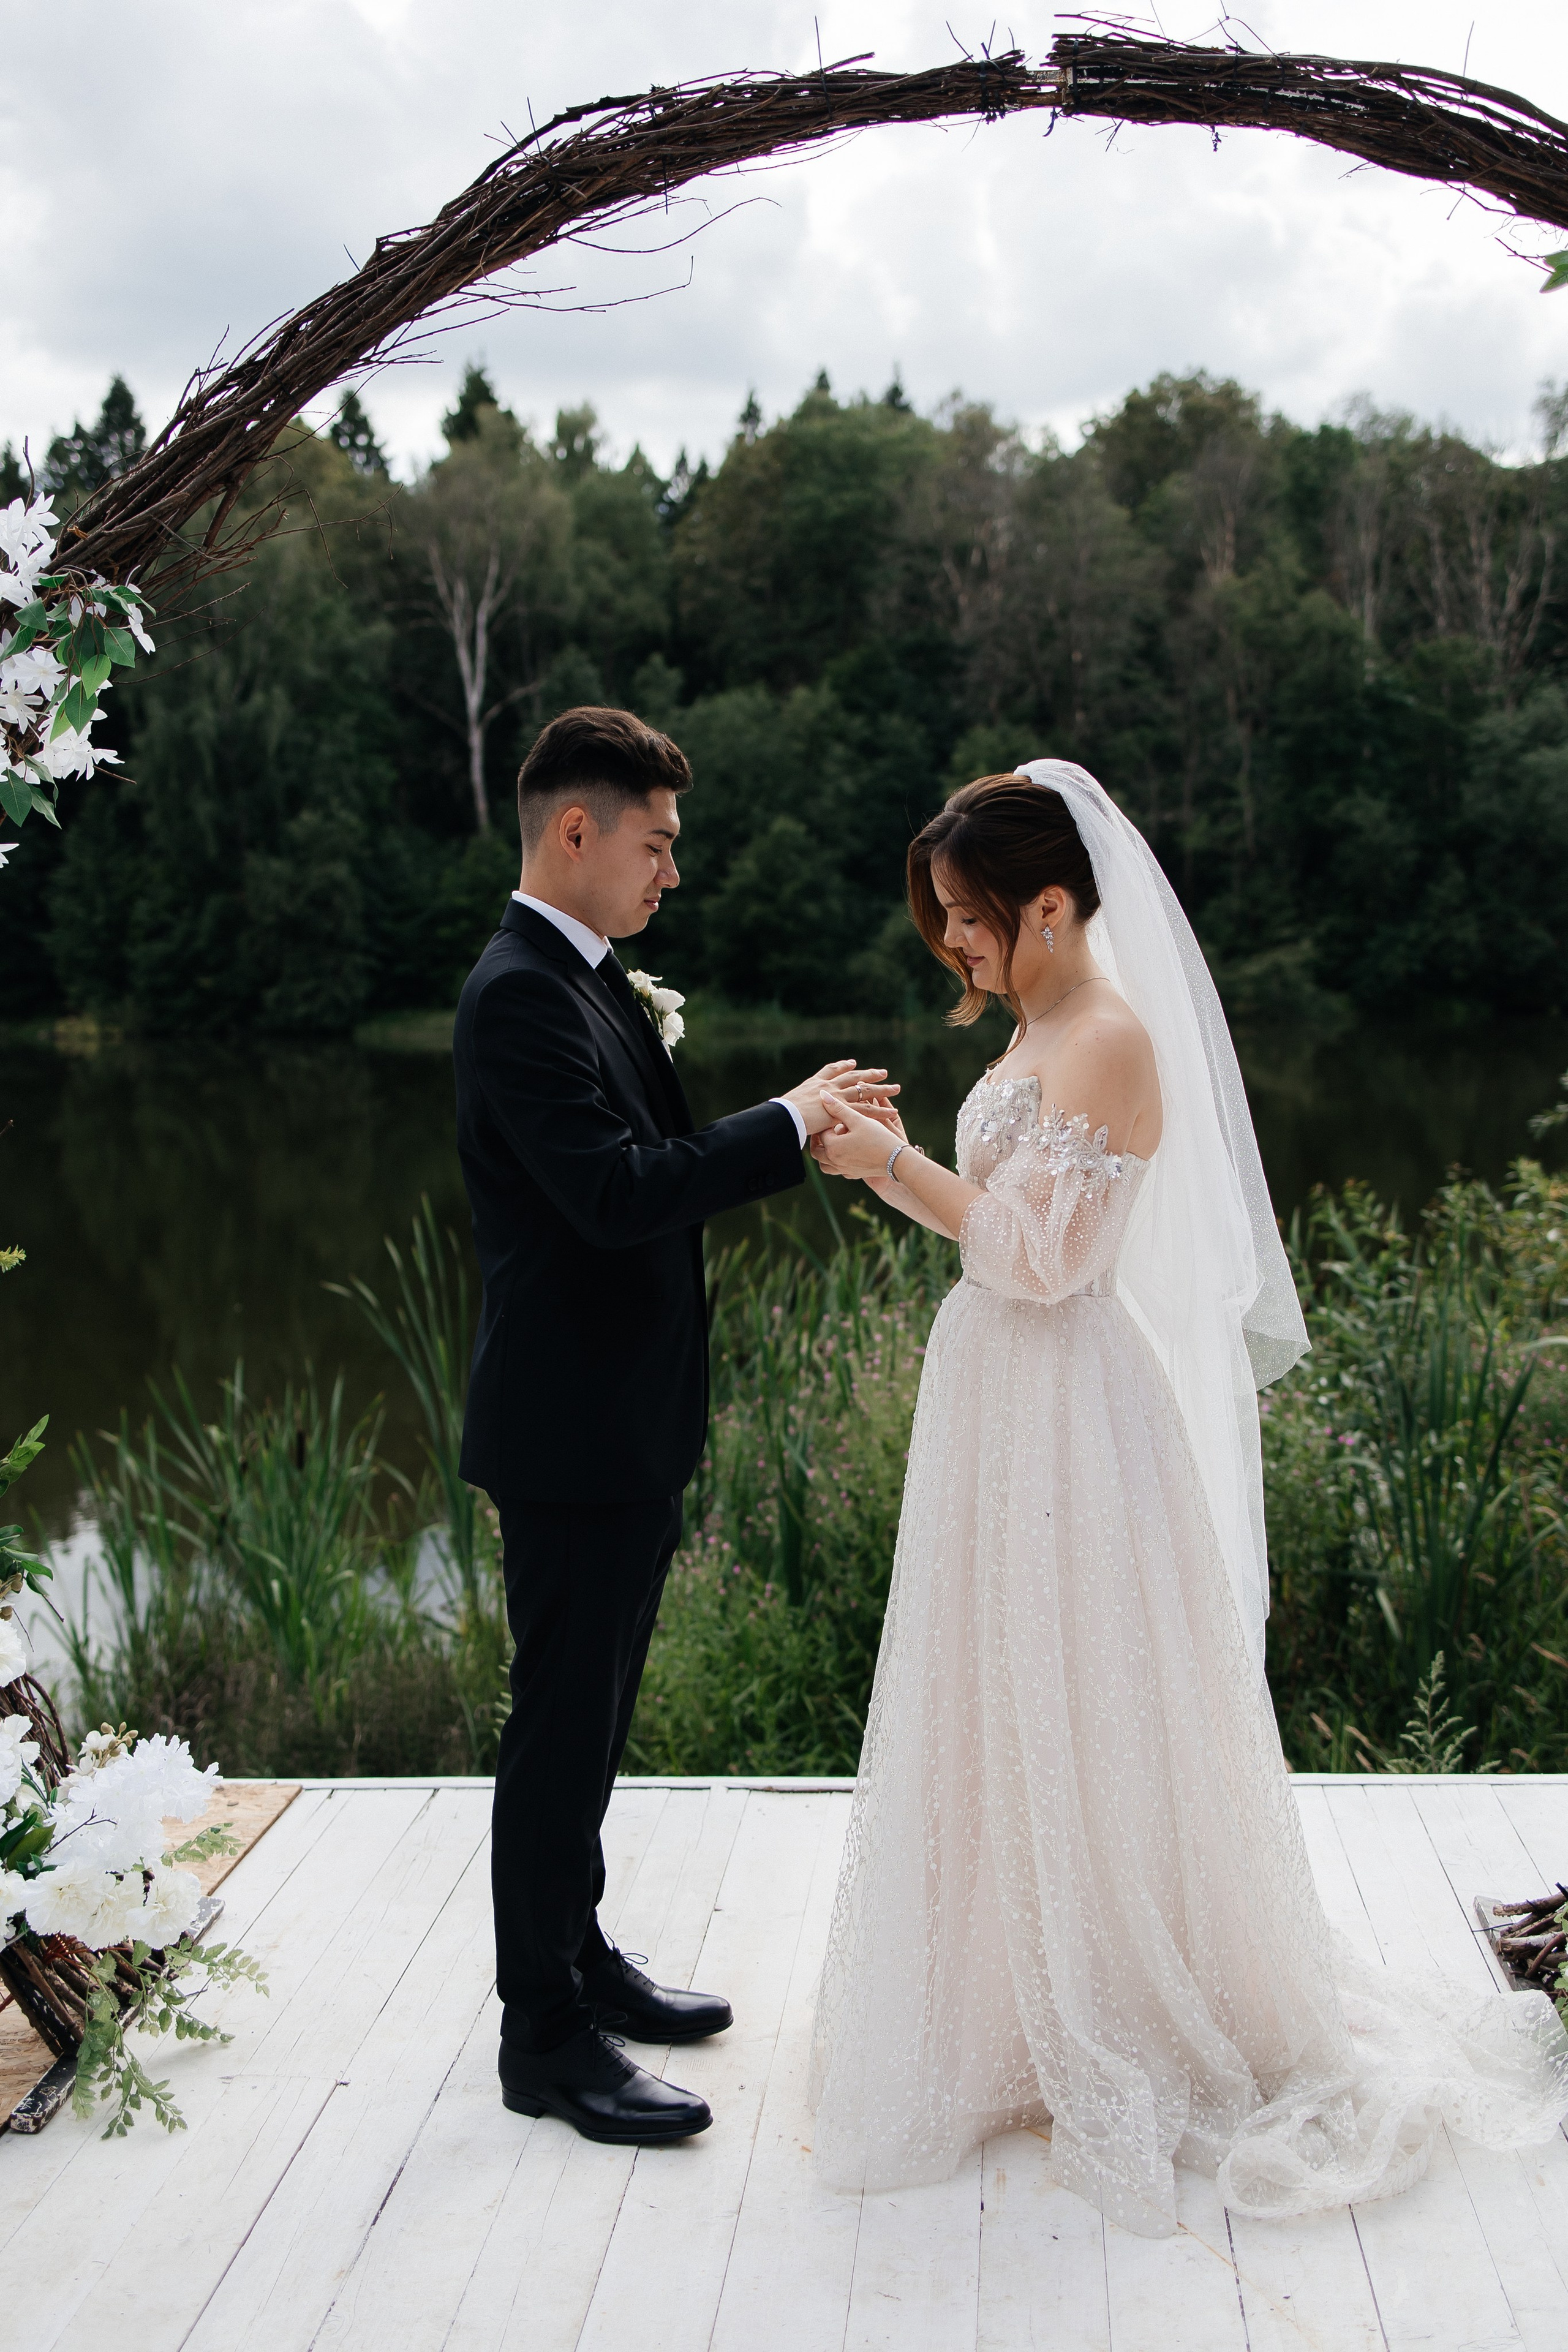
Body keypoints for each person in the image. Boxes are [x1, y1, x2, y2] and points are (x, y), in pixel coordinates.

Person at [805, 763, 1568, 2234]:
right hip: (997, 1395)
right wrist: (873, 1167)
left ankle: (1111, 1999)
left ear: (1047, 903)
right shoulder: (1035, 1026)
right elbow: (993, 1232)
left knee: (1077, 1686)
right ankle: (1004, 1999)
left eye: (968, 915)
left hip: (1064, 1403)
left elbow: (1043, 1262)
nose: (951, 941)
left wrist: (896, 1160)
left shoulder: (1108, 1037)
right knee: (996, 1685)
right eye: (943, 917)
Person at [454, 705, 896, 2147]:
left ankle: (578, 1958)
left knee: (592, 1721)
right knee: (557, 1729)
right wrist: (785, 1123)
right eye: (655, 845)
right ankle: (542, 2038)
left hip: (620, 1423)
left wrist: (781, 1126)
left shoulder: (585, 977)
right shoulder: (519, 994)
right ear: (576, 831)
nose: (671, 872)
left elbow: (639, 1170)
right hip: (566, 1431)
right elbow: (613, 1194)